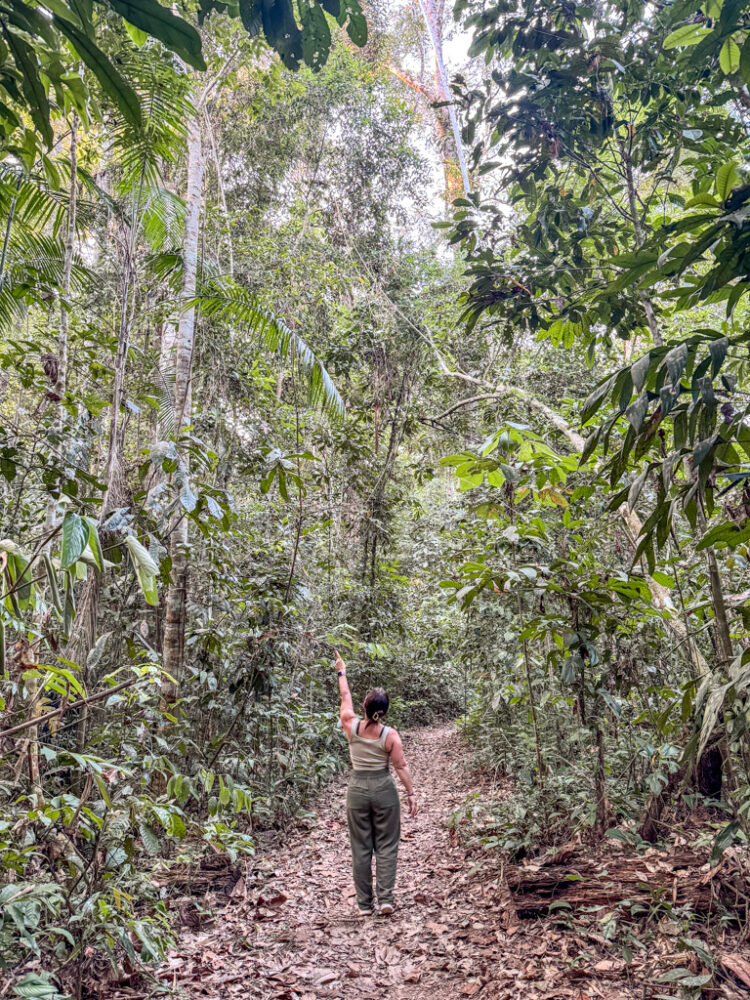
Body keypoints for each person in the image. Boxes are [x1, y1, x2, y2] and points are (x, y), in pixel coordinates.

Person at [334, 650, 417, 917]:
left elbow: (344, 697)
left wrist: (341, 672)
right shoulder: (390, 735)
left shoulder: (351, 725)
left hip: (357, 790)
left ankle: (363, 904)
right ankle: (385, 900)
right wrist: (411, 793)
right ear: (385, 711)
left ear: (366, 708)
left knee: (360, 848)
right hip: (384, 790)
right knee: (386, 845)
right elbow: (400, 766)